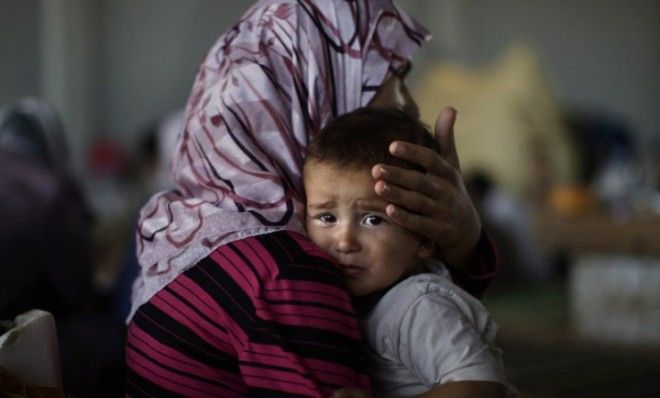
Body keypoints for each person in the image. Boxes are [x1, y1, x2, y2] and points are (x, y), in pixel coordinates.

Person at [126, 1, 497, 396]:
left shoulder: (193, 226)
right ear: (317, 84)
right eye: (391, 77)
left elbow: (422, 338)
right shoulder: (288, 272)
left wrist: (462, 241)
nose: (408, 103)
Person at [304, 107, 515, 398]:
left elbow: (480, 389)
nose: (344, 241)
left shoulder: (419, 305)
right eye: (327, 218)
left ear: (424, 240)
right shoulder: (353, 300)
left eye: (373, 220)